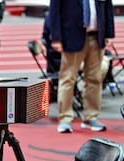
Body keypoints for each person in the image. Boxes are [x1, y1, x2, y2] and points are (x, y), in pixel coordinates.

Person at [48, 0, 115, 133]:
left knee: (94, 79)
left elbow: (107, 7)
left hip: (97, 37)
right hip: (72, 37)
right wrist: (56, 38)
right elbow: (54, 11)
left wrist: (109, 33)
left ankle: (90, 117)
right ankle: (65, 118)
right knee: (67, 79)